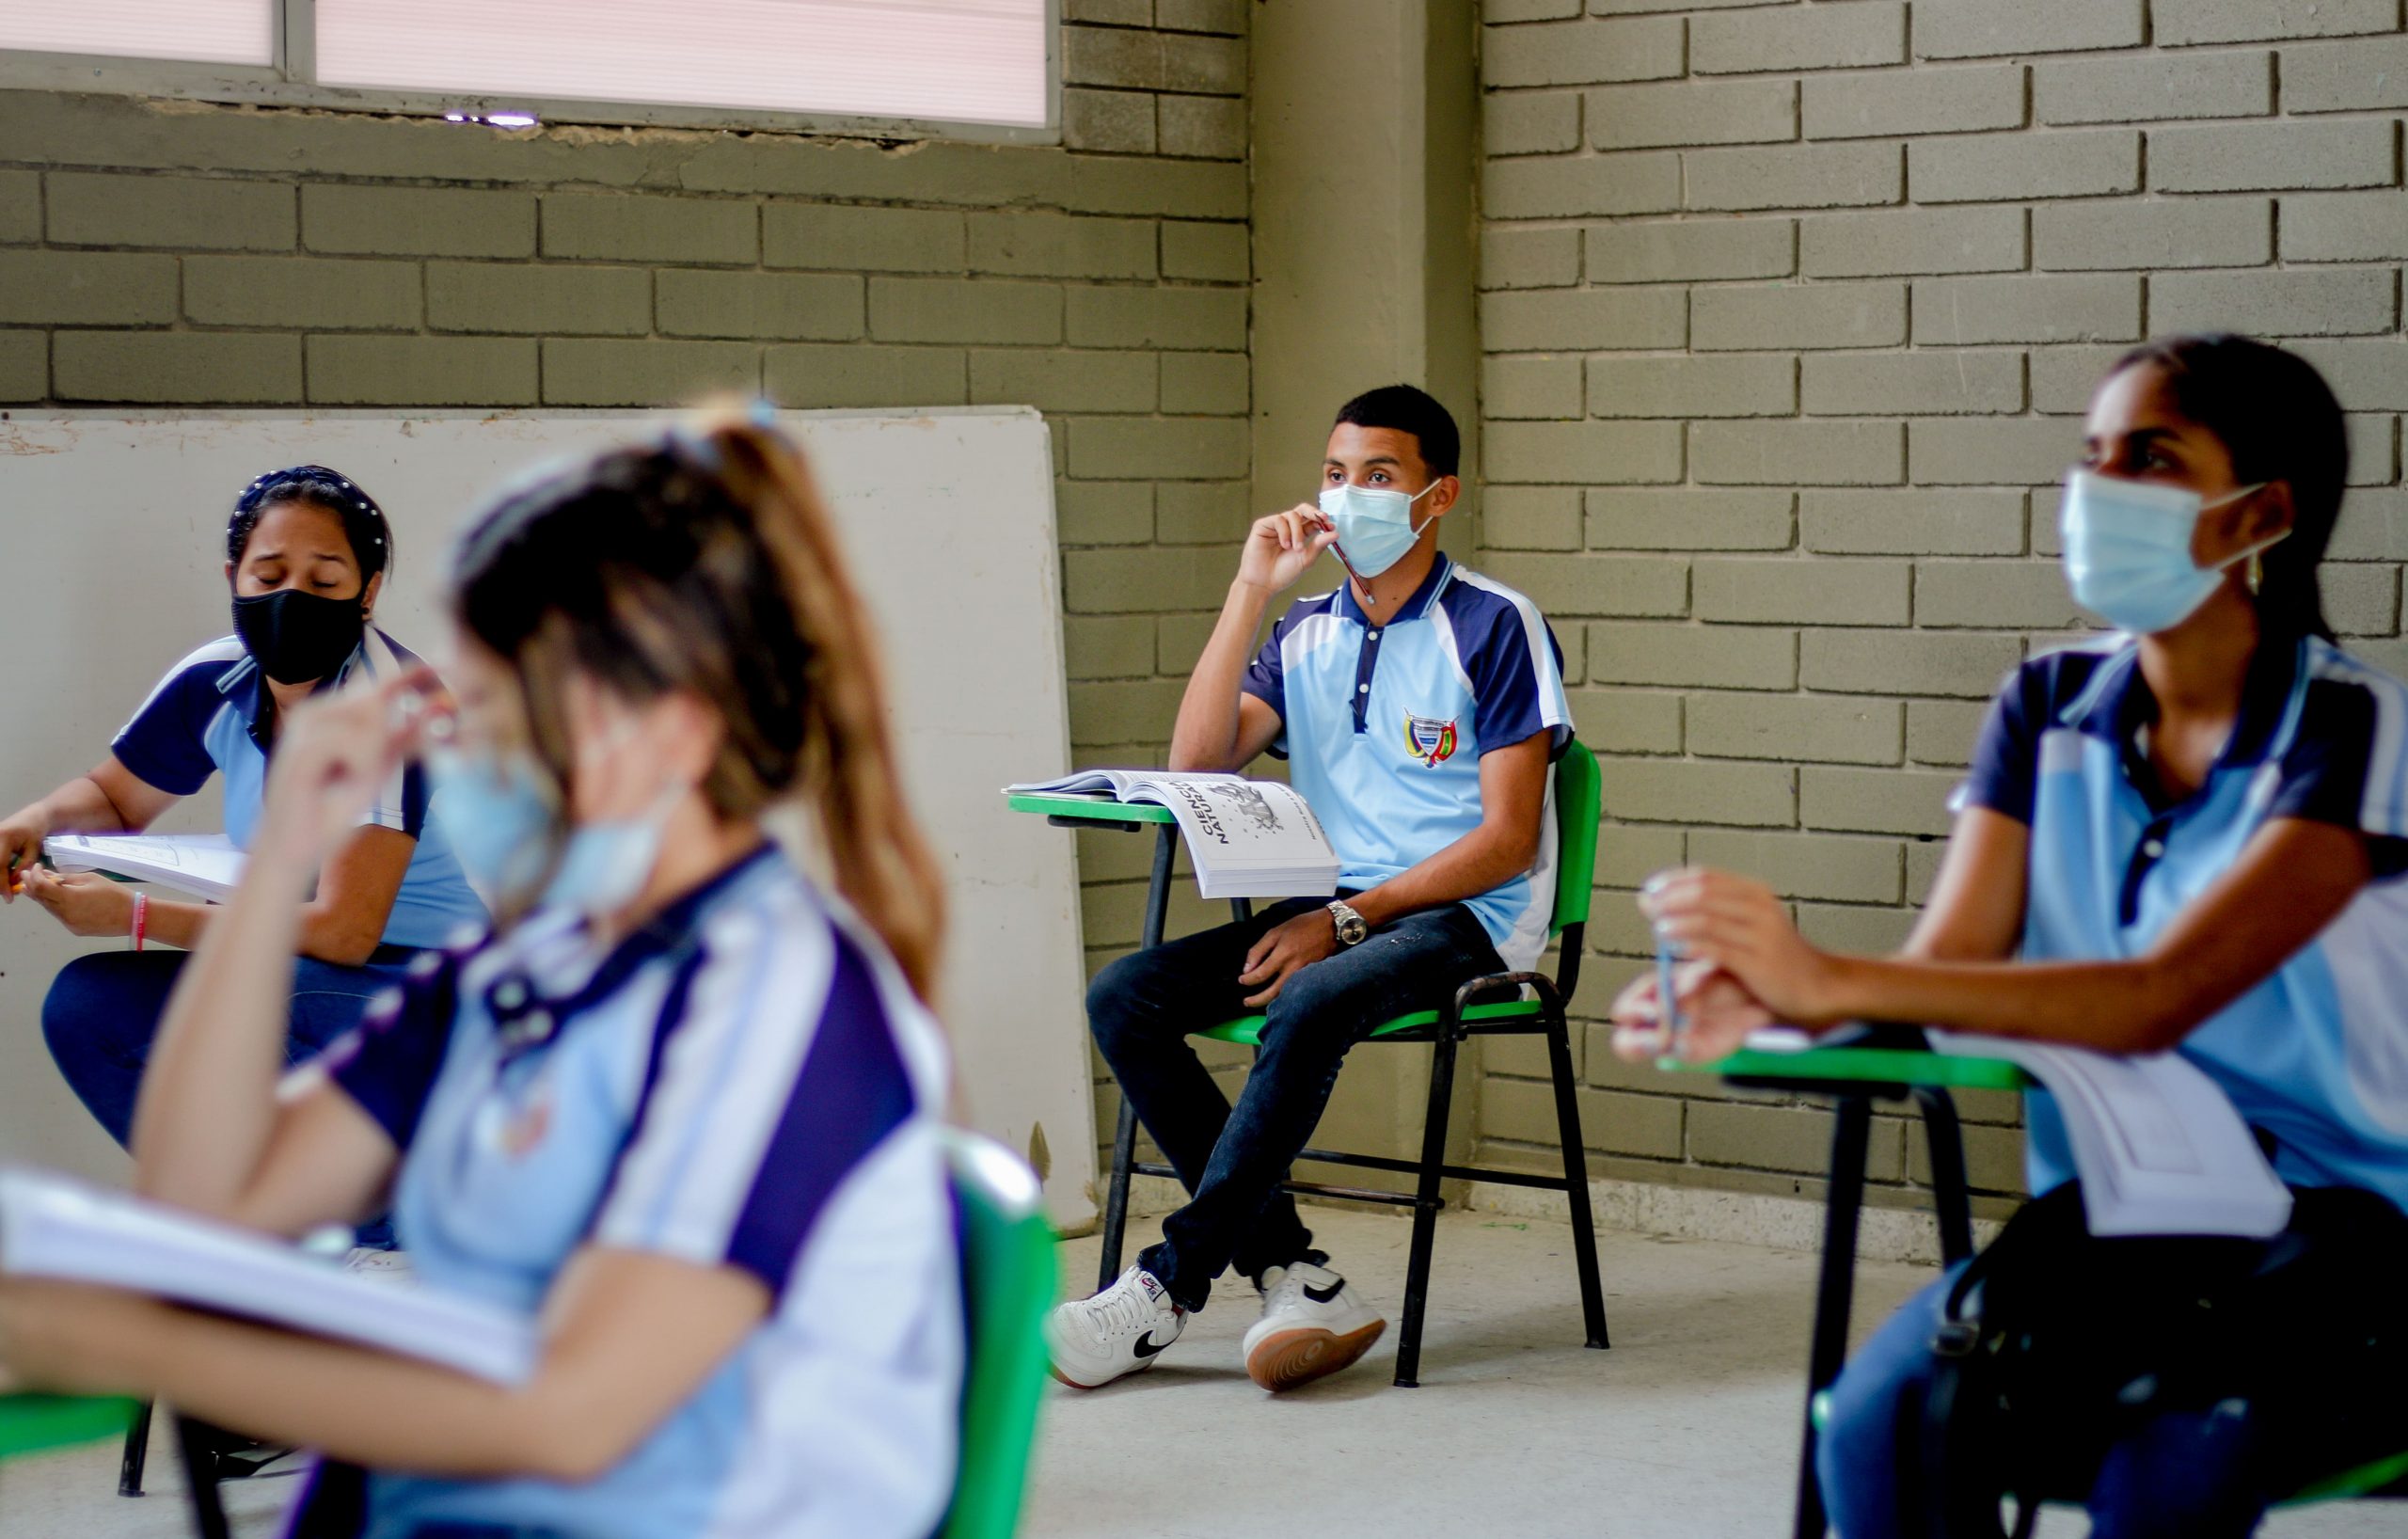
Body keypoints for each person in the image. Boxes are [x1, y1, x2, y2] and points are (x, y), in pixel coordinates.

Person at [0, 419, 963, 1538]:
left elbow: (585, 1414)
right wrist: (280, 861)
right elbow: (221, 1193)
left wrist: (163, 1338)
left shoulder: (783, 996)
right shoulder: (520, 977)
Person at [1614, 335, 2408, 1537]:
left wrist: (1825, 972)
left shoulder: (2352, 727)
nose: (2099, 489)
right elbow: (1949, 972)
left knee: (2169, 1464)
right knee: (1879, 1432)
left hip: (2348, 1233)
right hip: (2125, 1218)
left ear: (2265, 512)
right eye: (2091, 455)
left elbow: (2161, 994)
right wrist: (1778, 1006)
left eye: (2151, 457)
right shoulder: (2044, 706)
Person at [1047, 384, 1572, 1393]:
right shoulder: (1304, 632)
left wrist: (1344, 919)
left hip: (1465, 919)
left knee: (1314, 991)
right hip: (1340, 913)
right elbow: (1195, 766)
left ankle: (1168, 1284)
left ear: (1437, 495)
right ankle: (1292, 1271)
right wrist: (1250, 590)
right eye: (1335, 475)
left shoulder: (1495, 622)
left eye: (1379, 476)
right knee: (1126, 997)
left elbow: (1507, 842)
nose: (1348, 496)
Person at [5, 467, 487, 1188]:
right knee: (90, 1006)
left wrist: (135, 915)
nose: (291, 598)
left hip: (432, 991)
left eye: (324, 582)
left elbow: (343, 934)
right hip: (321, 969)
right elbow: (115, 797)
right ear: (233, 576)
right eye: (268, 575)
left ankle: (387, 1244)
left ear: (370, 590)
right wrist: (36, 819)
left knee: (273, 994)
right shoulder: (217, 678)